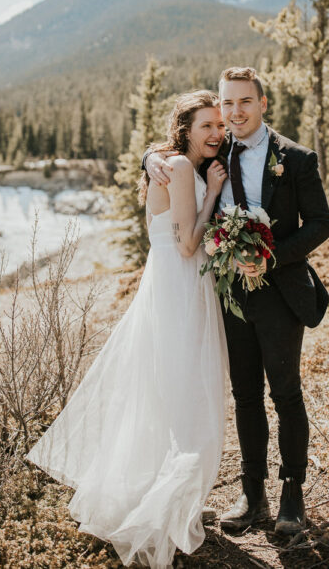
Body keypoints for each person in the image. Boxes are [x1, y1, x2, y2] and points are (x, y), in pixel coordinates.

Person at [26, 90, 229, 569]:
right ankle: (162, 507)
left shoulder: (174, 164)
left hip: (173, 286)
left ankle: (167, 497)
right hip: (180, 286)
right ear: (185, 129)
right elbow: (187, 245)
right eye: (207, 125)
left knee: (169, 394)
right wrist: (213, 195)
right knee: (186, 397)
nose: (217, 133)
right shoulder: (181, 168)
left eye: (220, 125)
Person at [145, 66, 329, 535]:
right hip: (228, 296)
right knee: (245, 396)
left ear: (262, 103)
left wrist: (271, 257)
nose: (234, 112)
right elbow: (174, 156)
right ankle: (252, 495)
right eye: (227, 103)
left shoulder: (296, 158)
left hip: (280, 294)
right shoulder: (216, 149)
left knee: (285, 393)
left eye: (244, 101)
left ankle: (292, 496)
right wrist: (148, 159)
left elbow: (320, 224)